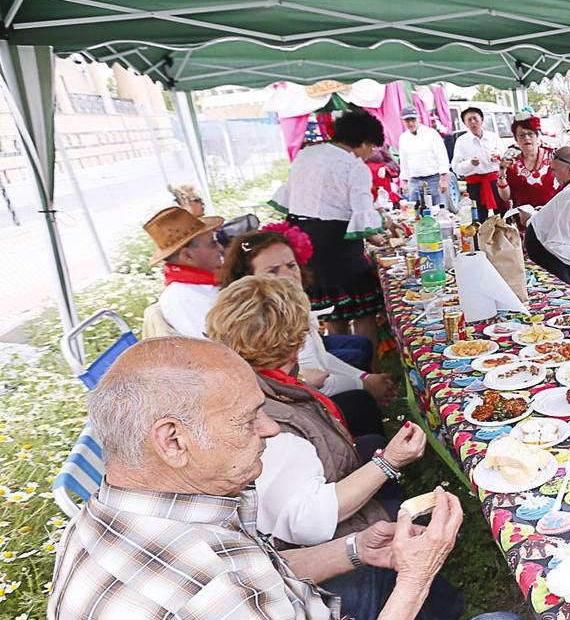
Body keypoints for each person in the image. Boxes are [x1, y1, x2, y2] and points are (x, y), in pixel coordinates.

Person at [47, 337, 570, 620]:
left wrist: (356, 549)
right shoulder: (185, 591)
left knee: (366, 581)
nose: (270, 430)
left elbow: (252, 578)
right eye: (247, 420)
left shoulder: (138, 511)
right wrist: (416, 579)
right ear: (173, 440)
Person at [204, 275, 464, 620]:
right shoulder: (270, 422)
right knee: (386, 529)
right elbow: (310, 522)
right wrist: (388, 462)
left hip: (310, 526)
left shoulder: (251, 383)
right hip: (321, 563)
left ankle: (442, 617)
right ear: (294, 338)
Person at [219, 228, 397, 414]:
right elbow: (317, 381)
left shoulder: (290, 304)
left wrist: (365, 377)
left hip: (305, 394)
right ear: (248, 279)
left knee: (360, 348)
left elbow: (321, 358)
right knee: (360, 401)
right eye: (272, 271)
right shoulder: (266, 321)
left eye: (291, 265)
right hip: (295, 408)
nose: (288, 275)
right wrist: (364, 384)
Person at [270, 109, 389, 348]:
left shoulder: (306, 154)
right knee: (362, 311)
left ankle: (344, 364)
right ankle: (370, 372)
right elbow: (362, 215)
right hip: (337, 244)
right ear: (363, 143)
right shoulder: (354, 166)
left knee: (334, 310)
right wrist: (380, 239)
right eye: (372, 148)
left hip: (303, 241)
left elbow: (294, 198)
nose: (371, 154)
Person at [143, 205, 225, 338]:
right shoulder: (184, 299)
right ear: (187, 256)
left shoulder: (204, 282)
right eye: (212, 244)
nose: (220, 248)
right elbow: (224, 349)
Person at [451, 106, 506, 222]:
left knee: (503, 214)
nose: (473, 122)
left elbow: (505, 156)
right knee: (478, 217)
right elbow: (456, 168)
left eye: (475, 118)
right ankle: (481, 239)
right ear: (465, 124)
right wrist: (470, 164)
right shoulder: (461, 141)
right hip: (475, 184)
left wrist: (498, 156)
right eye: (469, 120)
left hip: (495, 181)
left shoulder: (493, 137)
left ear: (481, 119)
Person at [502, 113, 559, 214]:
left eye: (530, 134)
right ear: (516, 139)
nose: (526, 138)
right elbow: (506, 197)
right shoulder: (511, 164)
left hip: (554, 216)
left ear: (537, 136)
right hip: (524, 221)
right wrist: (501, 174)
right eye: (522, 135)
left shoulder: (553, 156)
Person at [396, 105, 451, 207]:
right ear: (403, 121)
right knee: (415, 212)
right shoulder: (403, 138)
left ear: (418, 118)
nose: (411, 123)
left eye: (413, 120)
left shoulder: (431, 134)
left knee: (437, 210)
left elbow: (442, 156)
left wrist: (443, 178)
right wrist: (404, 182)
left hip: (433, 179)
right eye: (407, 121)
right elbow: (403, 161)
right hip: (414, 181)